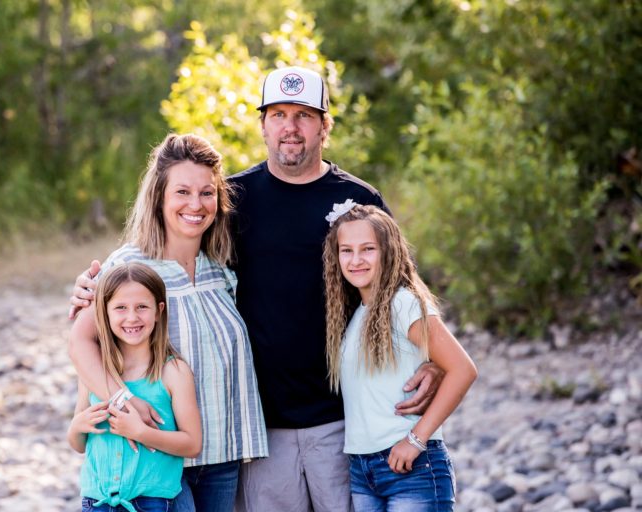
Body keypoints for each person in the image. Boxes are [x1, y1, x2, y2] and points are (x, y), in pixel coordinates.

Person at [71, 66, 443, 512]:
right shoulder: (236, 199)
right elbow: (113, 305)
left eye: (304, 115)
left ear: (325, 125)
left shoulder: (357, 202)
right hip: (260, 433)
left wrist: (433, 362)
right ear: (262, 124)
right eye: (279, 114)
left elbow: (400, 294)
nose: (291, 127)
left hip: (341, 421)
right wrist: (91, 291)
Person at [68, 133, 268, 512]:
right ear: (159, 196)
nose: (196, 204)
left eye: (207, 193)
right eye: (182, 192)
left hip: (219, 454)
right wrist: (122, 400)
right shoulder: (129, 266)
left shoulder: (220, 270)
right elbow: (80, 343)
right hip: (156, 456)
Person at [322, 202, 477, 511]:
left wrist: (416, 440)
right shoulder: (357, 314)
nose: (355, 260)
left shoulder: (402, 303)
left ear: (388, 252)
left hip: (411, 468)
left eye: (368, 249)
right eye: (346, 250)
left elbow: (463, 369)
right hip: (363, 471)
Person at [68, 262, 202, 512]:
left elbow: (192, 443)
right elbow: (78, 443)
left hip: (153, 503)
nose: (132, 317)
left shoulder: (173, 372)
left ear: (158, 310)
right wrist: (77, 427)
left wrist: (142, 433)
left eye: (142, 307)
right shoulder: (95, 372)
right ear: (104, 313)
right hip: (97, 502)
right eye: (120, 308)